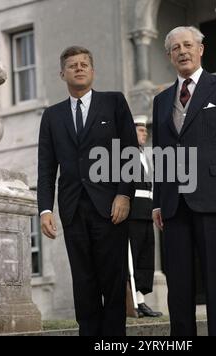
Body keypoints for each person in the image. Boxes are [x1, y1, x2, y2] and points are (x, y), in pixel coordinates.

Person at [152, 27, 216, 336]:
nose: (182, 51)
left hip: (214, 196)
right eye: (175, 48)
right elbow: (160, 154)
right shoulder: (161, 100)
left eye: (188, 45)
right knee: (178, 283)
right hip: (173, 202)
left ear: (200, 50)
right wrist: (157, 202)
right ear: (169, 56)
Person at [37, 46, 138, 336]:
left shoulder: (114, 103)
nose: (79, 68)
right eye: (72, 65)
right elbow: (46, 167)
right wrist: (45, 209)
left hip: (110, 207)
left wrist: (124, 194)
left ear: (92, 71)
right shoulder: (52, 116)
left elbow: (129, 151)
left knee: (113, 280)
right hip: (72, 210)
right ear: (62, 73)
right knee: (83, 282)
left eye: (84, 64)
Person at [128, 116, 163, 318]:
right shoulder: (123, 155)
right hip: (132, 212)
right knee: (132, 259)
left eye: (145, 130)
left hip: (146, 211)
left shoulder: (144, 155)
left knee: (144, 258)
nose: (145, 133)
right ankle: (133, 302)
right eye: (140, 130)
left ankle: (141, 300)